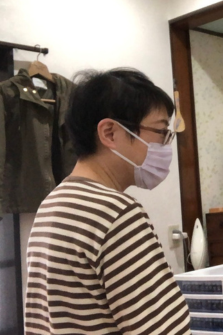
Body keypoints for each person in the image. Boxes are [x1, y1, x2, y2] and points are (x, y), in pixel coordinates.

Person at [24, 69, 191, 334]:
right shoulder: (117, 214)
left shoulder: (51, 205)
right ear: (110, 133)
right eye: (161, 132)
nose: (166, 145)